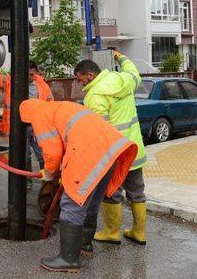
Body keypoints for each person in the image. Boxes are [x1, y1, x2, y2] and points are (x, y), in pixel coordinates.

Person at [20, 99, 138, 272]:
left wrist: (49, 173)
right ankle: (84, 245)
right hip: (110, 148)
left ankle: (68, 259)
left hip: (88, 153)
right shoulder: (61, 107)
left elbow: (52, 152)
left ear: (26, 117)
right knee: (90, 201)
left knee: (72, 204)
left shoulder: (39, 115)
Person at [74, 52, 147, 246]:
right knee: (137, 191)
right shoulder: (122, 78)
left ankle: (112, 232)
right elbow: (133, 72)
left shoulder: (95, 96)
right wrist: (120, 57)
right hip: (134, 149)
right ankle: (139, 233)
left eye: (79, 79)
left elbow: (100, 133)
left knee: (110, 191)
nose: (79, 83)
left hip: (115, 153)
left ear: (89, 75)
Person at [0, 59, 53, 169]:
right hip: (20, 125)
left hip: (38, 126)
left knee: (43, 154)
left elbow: (50, 103)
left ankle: (47, 179)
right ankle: (27, 180)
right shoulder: (11, 82)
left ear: (35, 73)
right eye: (26, 74)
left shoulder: (42, 84)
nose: (29, 77)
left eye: (31, 74)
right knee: (24, 155)